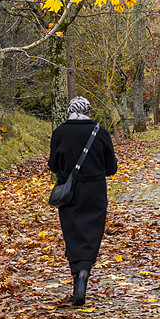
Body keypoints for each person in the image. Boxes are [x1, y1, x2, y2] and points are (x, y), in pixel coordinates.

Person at [48, 96, 118, 306]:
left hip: (69, 192)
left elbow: (53, 165)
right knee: (91, 232)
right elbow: (112, 168)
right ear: (88, 110)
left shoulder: (59, 133)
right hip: (95, 190)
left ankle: (75, 275)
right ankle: (84, 272)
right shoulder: (100, 132)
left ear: (70, 111)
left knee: (73, 231)